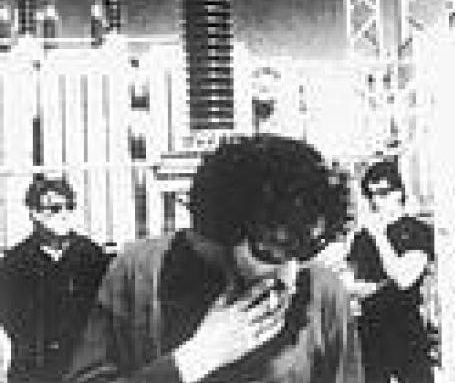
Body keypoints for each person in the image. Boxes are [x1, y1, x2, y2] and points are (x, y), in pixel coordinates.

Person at [66, 135, 363, 383]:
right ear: (223, 231)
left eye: (306, 250)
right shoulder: (139, 272)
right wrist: (193, 359)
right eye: (272, 251)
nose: (291, 275)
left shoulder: (321, 288)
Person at [0, 174, 110, 383]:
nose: (64, 214)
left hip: (84, 367)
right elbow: (10, 318)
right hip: (34, 370)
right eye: (55, 208)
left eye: (69, 207)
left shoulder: (91, 256)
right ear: (34, 213)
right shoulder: (15, 262)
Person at [344, 160, 434, 383]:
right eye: (371, 195)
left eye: (383, 193)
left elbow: (404, 278)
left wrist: (379, 236)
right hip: (370, 327)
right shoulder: (362, 237)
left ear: (399, 192)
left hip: (405, 326)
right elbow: (351, 278)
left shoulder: (417, 230)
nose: (376, 201)